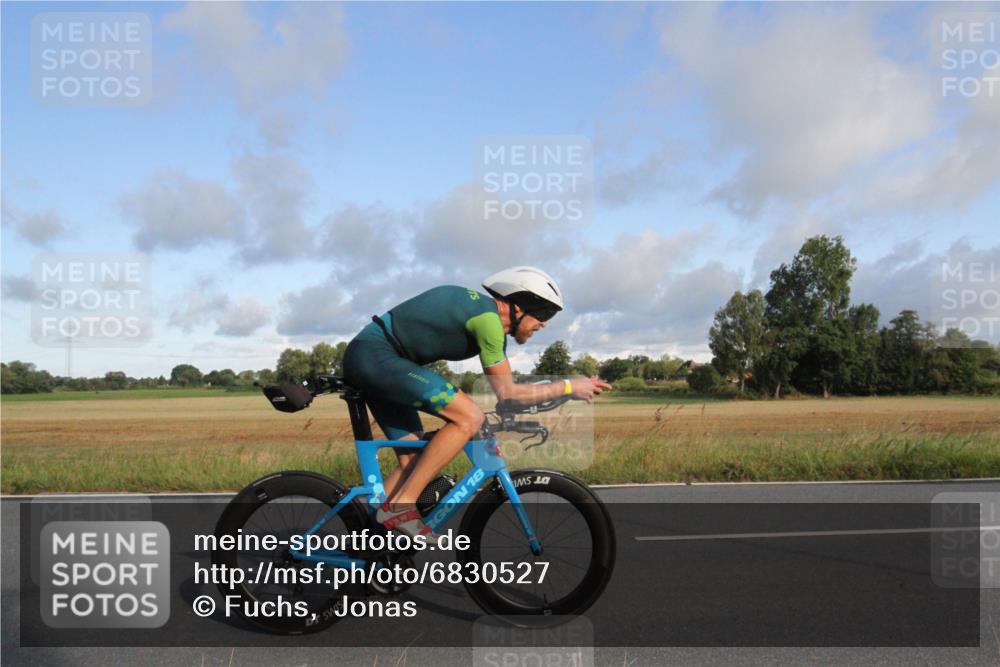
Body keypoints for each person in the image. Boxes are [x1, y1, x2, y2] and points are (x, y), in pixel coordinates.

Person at [342, 266, 611, 543]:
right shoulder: (488, 320)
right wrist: (568, 385)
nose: (544, 324)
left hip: (380, 360)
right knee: (468, 417)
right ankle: (402, 506)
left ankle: (366, 545)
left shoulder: (488, 320)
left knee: (415, 462)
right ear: (518, 307)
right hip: (376, 357)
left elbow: (510, 394)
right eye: (543, 314)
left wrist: (565, 393)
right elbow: (508, 393)